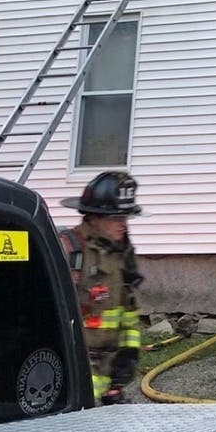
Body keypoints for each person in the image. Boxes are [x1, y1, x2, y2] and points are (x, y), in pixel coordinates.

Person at [59, 171, 145, 405]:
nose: (123, 225)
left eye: (125, 217)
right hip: (76, 377)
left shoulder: (122, 254)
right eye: (116, 218)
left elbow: (127, 311)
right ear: (94, 217)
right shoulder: (69, 250)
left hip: (109, 380)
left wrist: (127, 356)